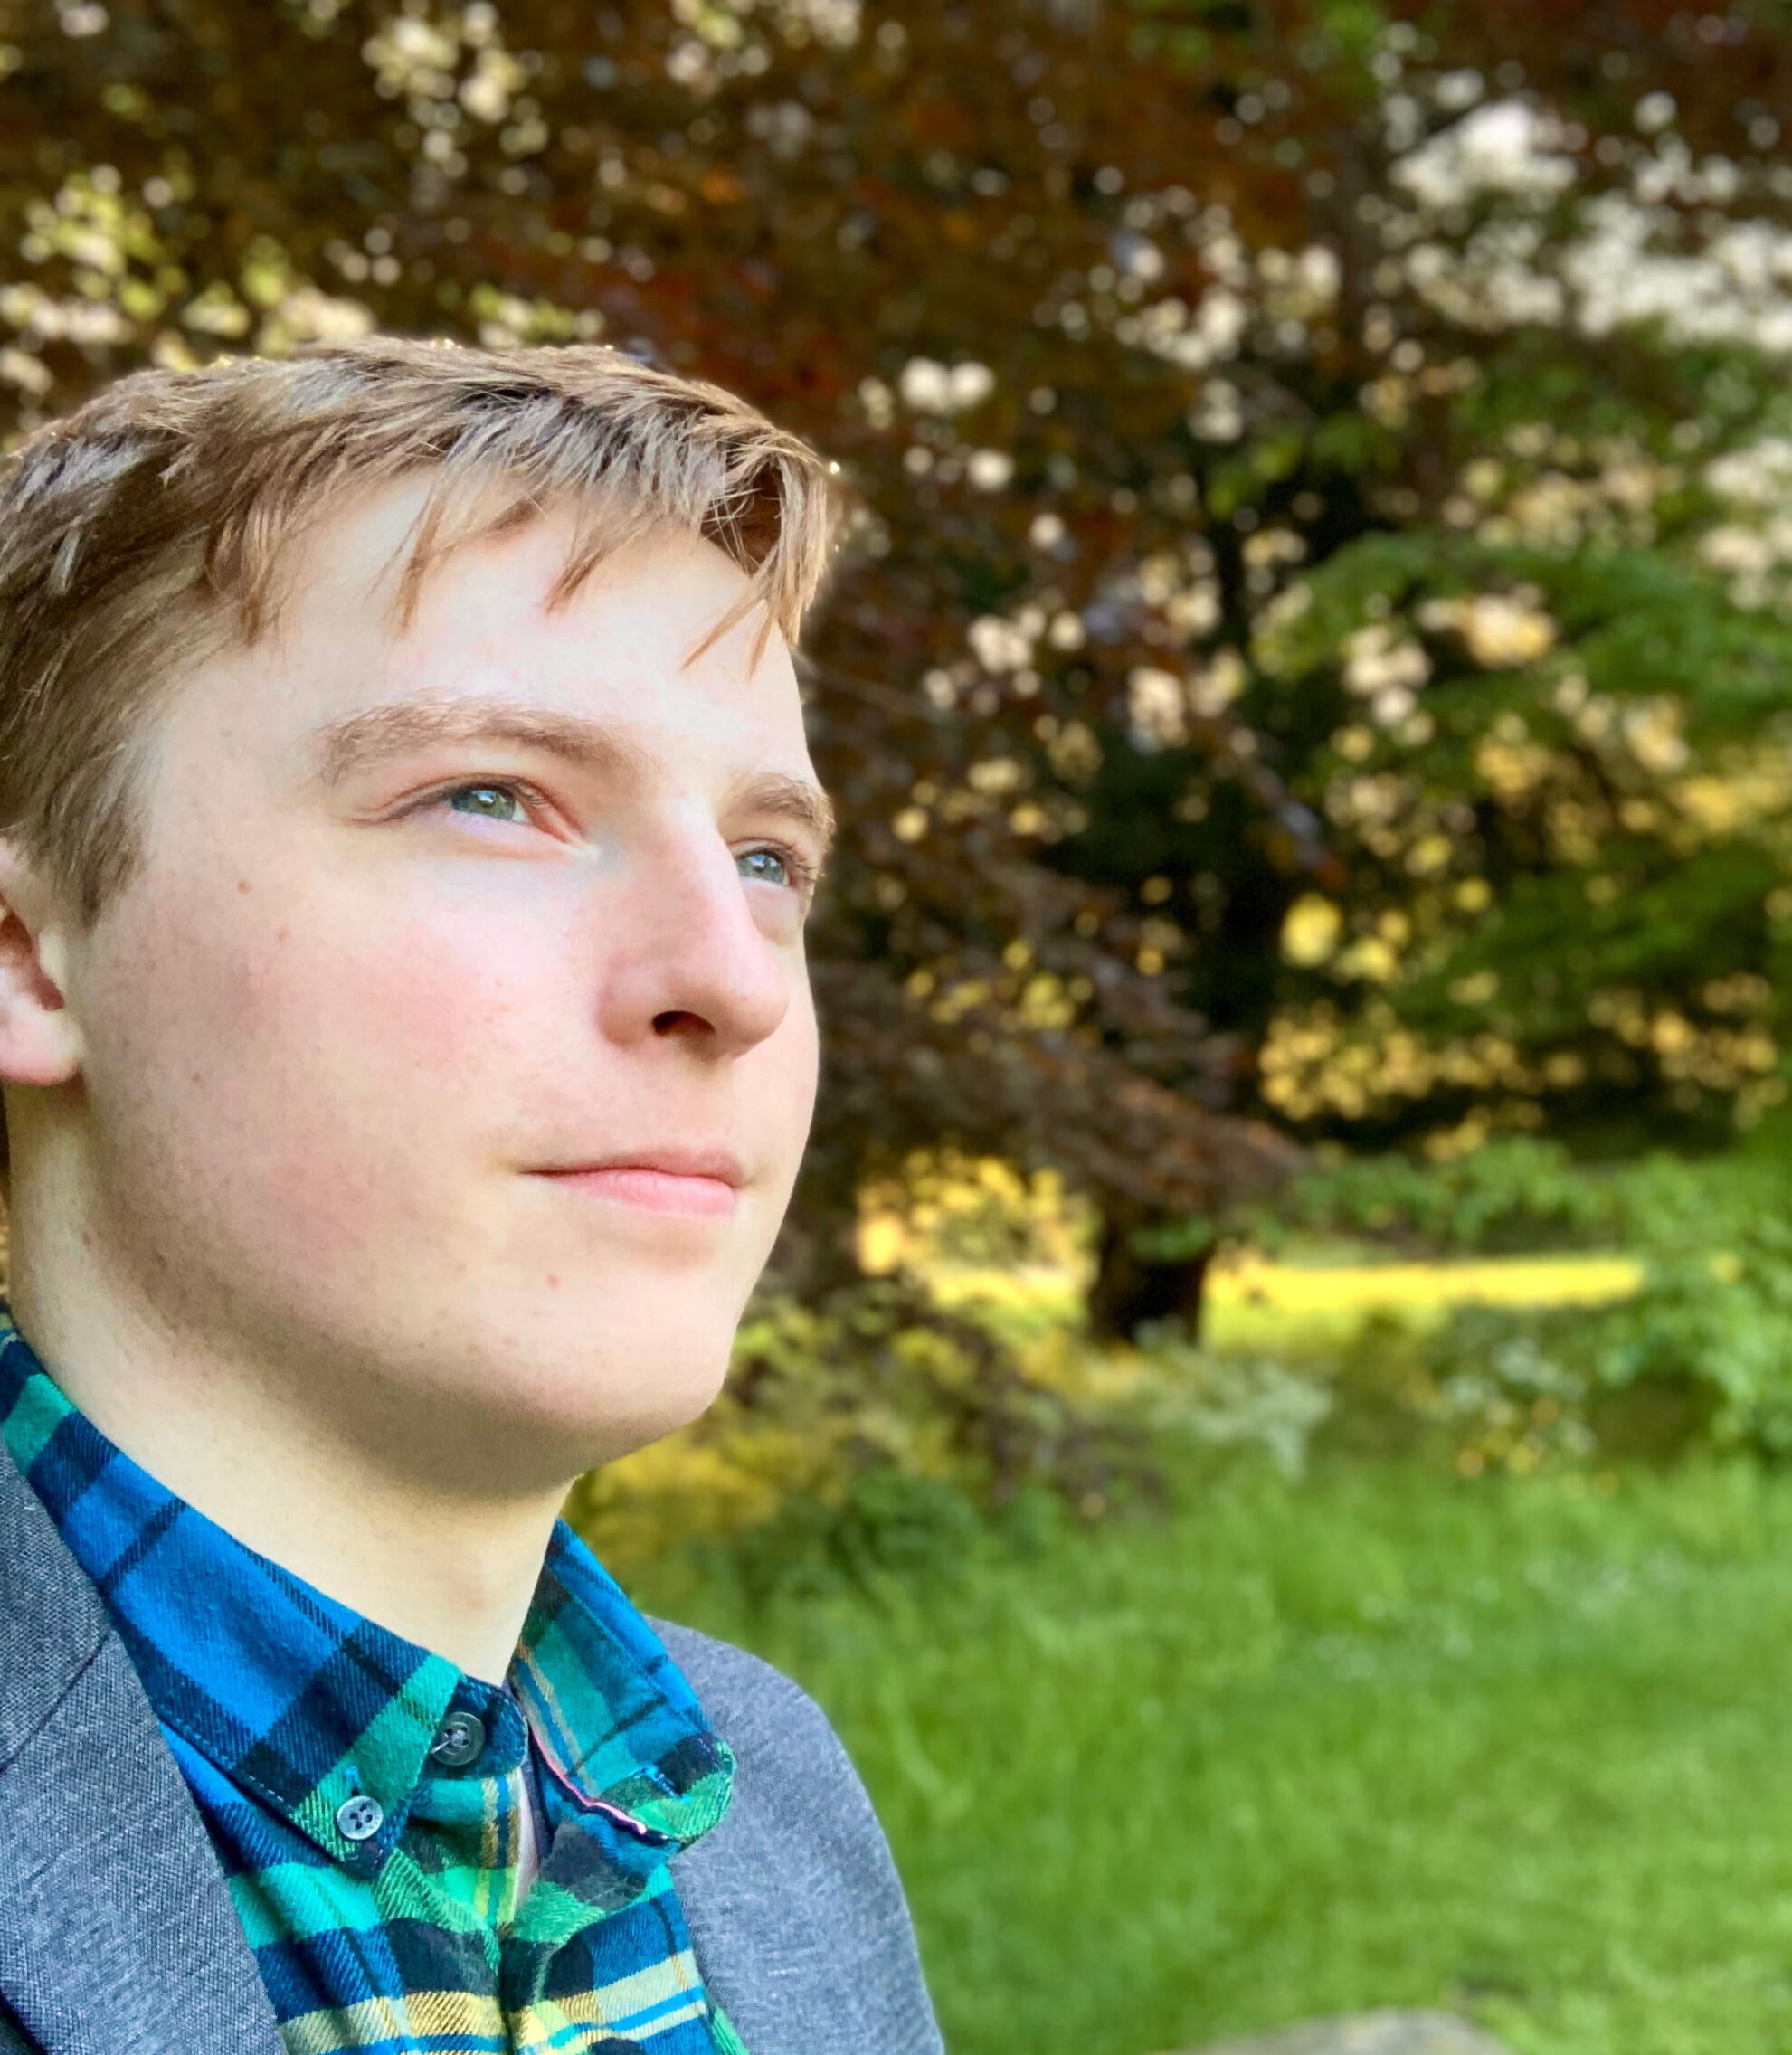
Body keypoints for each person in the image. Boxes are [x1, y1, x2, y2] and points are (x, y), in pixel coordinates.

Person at [0, 338, 943, 2055]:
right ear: (28, 958)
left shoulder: (772, 1804)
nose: (732, 977)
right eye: (492, 798)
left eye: (767, 858)